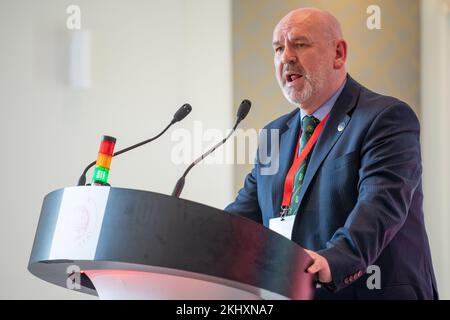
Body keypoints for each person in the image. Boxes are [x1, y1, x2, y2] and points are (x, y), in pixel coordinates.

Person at [225, 7, 438, 300]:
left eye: (299, 44)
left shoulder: (385, 118)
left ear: (338, 53)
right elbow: (244, 216)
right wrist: (190, 238)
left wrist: (333, 259)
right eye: (278, 48)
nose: (286, 57)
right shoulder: (274, 134)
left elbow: (380, 208)